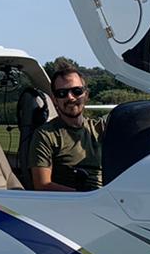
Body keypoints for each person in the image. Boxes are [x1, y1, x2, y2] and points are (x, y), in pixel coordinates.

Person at [30, 63, 105, 191]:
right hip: (74, 204)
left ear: (86, 95)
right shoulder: (46, 135)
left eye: (77, 91)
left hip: (111, 199)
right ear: (54, 99)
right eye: (62, 93)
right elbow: (42, 185)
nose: (70, 97)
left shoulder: (101, 128)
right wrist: (84, 196)